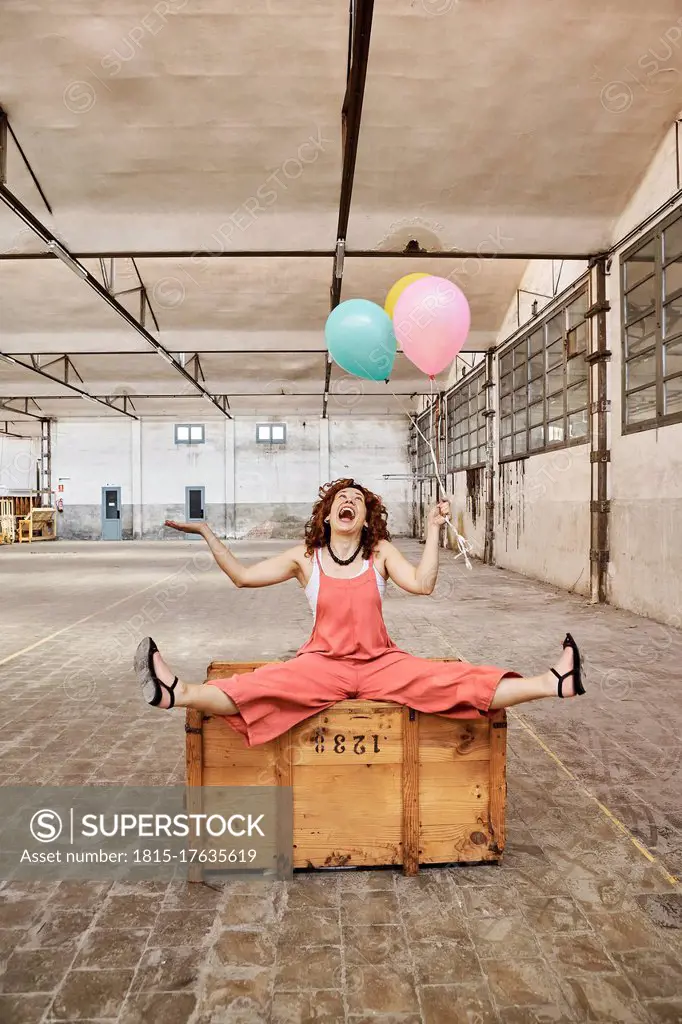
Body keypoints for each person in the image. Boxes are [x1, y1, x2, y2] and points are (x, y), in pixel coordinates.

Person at [134, 478, 585, 747]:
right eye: (340, 499)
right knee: (257, 685)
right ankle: (179, 692)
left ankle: (554, 683)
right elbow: (242, 576)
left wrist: (432, 529)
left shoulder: (381, 553)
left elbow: (423, 585)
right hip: (322, 665)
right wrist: (207, 533)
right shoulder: (304, 558)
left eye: (358, 500)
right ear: (328, 516)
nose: (348, 501)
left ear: (366, 519)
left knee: (455, 679)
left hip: (379, 664)